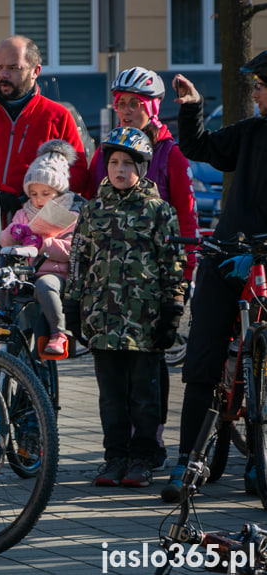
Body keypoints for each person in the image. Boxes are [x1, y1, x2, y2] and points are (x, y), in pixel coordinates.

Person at [161, 51, 267, 503]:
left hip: (264, 267)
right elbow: (201, 147)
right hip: (226, 256)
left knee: (261, 366)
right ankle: (189, 459)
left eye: (260, 84)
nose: (255, 91)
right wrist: (191, 107)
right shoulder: (252, 131)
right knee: (203, 362)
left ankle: (259, 462)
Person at [86, 66, 199, 471]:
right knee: (116, 387)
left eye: (136, 104)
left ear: (152, 107)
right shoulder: (108, 151)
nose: (129, 111)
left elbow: (186, 221)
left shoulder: (170, 152)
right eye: (122, 104)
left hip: (152, 287)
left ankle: (149, 448)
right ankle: (120, 452)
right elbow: (91, 207)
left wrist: (181, 285)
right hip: (112, 293)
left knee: (148, 380)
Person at [65, 126, 185, 488]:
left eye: (128, 163)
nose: (119, 170)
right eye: (113, 162)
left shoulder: (158, 211)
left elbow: (172, 264)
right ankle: (114, 457)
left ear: (143, 168)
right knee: (111, 398)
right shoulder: (92, 211)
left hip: (144, 321)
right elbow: (78, 261)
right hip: (103, 320)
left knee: (144, 396)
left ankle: (143, 458)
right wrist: (73, 305)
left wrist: (173, 309)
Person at [0, 35, 89, 220]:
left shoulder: (58, 116)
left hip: (35, 230)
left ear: (35, 71)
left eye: (13, 68)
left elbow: (78, 175)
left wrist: (35, 192)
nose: (3, 74)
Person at [0, 139, 84, 356]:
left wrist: (44, 243)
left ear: (58, 191)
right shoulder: (23, 212)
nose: (38, 200)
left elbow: (71, 250)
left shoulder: (69, 215)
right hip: (24, 273)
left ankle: (59, 332)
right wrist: (13, 233)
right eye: (33, 193)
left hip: (54, 273)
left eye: (45, 194)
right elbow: (4, 241)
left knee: (45, 287)